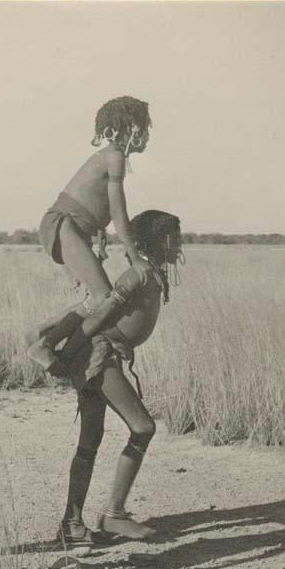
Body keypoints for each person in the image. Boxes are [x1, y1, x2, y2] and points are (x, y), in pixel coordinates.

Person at [32, 210, 184, 544]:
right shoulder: (140, 273)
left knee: (89, 440)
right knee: (143, 427)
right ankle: (113, 515)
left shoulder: (150, 271)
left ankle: (71, 524)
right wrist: (70, 353)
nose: (181, 244)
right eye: (177, 237)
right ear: (164, 240)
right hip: (100, 355)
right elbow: (101, 313)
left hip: (102, 354)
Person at [28, 96, 153, 373]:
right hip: (64, 224)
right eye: (144, 127)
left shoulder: (114, 157)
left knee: (96, 299)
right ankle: (47, 346)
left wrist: (98, 239)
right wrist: (135, 258)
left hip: (73, 228)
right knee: (103, 298)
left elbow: (96, 206)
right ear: (129, 128)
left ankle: (43, 332)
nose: (148, 135)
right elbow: (119, 211)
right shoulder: (115, 156)